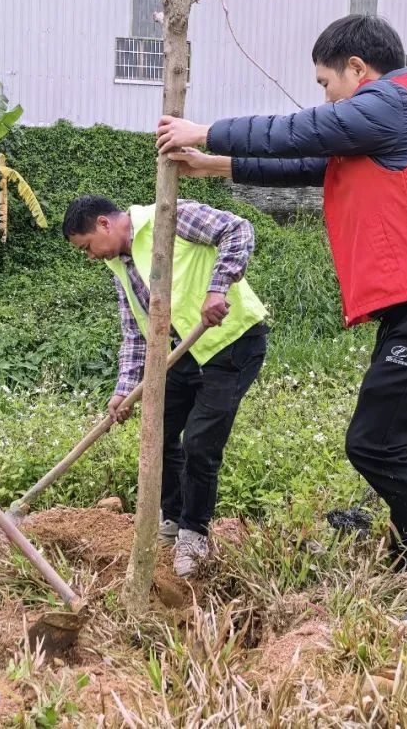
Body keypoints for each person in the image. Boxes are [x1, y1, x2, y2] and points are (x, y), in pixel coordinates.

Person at [155, 14, 407, 627]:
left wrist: (205, 128)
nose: (324, 96)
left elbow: (303, 132)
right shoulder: (387, 126)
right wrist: (213, 164)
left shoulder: (393, 102)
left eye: (325, 82)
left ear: (357, 71)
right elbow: (314, 165)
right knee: (402, 440)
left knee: (375, 442)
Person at [63, 195, 269, 578]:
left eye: (86, 246)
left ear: (104, 225)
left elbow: (238, 230)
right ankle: (172, 518)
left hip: (233, 341)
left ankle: (195, 532)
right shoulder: (119, 266)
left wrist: (218, 287)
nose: (89, 256)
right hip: (183, 353)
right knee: (157, 431)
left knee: (200, 442)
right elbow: (135, 334)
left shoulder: (169, 216)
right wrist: (124, 390)